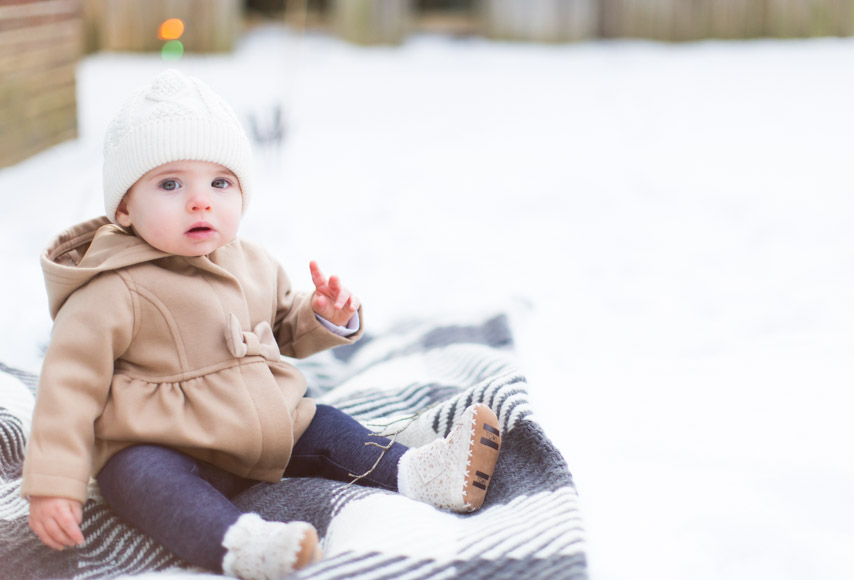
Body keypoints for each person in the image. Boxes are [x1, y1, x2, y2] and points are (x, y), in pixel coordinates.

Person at [21, 70, 501, 580]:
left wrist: (323, 316)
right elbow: (68, 387)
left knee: (329, 426)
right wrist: (54, 481)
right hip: (163, 443)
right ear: (124, 207)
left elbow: (283, 322)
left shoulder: (251, 261)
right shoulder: (110, 289)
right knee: (140, 479)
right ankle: (244, 545)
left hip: (262, 428)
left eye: (220, 182)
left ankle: (420, 472)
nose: (200, 200)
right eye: (170, 184)